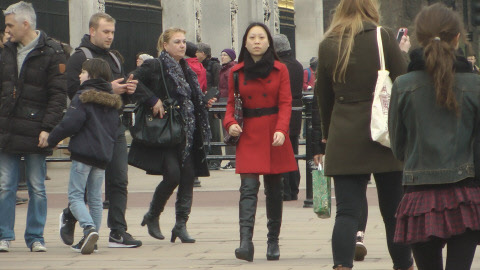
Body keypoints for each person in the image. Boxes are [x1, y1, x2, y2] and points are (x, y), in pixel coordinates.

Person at [315, 0, 413, 269]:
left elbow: (323, 96)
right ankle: (404, 265)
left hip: (345, 135)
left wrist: (327, 133)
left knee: (346, 212)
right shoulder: (382, 37)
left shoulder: (328, 44)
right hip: (383, 134)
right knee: (394, 211)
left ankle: (342, 265)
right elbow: (404, 81)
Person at [389, 3, 480, 269]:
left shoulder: (403, 86)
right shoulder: (475, 85)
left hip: (420, 196)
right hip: (466, 195)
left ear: (419, 39)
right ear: (457, 38)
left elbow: (398, 147)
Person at [60, 12, 142, 249]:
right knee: (87, 185)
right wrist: (109, 89)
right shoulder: (79, 57)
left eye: (113, 32)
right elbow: (75, 93)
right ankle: (70, 215)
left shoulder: (115, 58)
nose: (110, 37)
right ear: (92, 31)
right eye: (105, 32)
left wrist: (128, 89)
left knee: (119, 179)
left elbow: (120, 98)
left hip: (112, 127)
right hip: (88, 130)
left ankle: (117, 231)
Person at [129, 28, 214, 244]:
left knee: (187, 177)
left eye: (184, 41)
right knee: (173, 175)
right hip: (166, 132)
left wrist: (203, 102)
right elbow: (131, 82)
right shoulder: (154, 65)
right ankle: (152, 215)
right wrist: (152, 100)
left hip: (186, 132)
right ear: (165, 45)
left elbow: (189, 99)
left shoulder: (187, 69)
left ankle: (180, 225)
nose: (182, 45)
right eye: (177, 41)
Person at [224, 22, 297, 262]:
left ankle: (272, 241)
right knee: (248, 189)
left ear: (269, 43)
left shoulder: (280, 70)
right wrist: (230, 123)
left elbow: (286, 102)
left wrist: (282, 130)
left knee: (275, 190)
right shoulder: (236, 72)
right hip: (249, 134)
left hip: (274, 133)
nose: (257, 41)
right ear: (245, 43)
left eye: (261, 38)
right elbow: (230, 107)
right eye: (252, 37)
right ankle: (245, 242)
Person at [0, 1, 67, 252]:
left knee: (37, 187)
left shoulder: (52, 51)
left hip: (36, 128)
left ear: (25, 24)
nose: (6, 30)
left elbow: (58, 95)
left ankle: (35, 236)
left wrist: (49, 127)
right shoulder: (6, 51)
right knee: (6, 185)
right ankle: (4, 235)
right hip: (7, 127)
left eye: (9, 24)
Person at [44, 58, 122, 254]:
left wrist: (52, 139)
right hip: (103, 156)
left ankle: (88, 229)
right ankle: (92, 241)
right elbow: (115, 131)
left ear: (92, 75)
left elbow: (70, 123)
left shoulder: (83, 96)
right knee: (95, 198)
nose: (79, 75)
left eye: (83, 72)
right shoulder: (113, 101)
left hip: (84, 154)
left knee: (76, 195)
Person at [273, 34, 303, 201]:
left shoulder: (279, 66)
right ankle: (294, 188)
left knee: (282, 153)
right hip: (296, 112)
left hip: (282, 113)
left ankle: (284, 189)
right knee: (294, 152)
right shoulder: (297, 65)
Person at [197, 42, 222, 170]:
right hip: (202, 102)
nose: (195, 54)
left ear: (203, 53)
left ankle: (216, 159)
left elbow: (218, 85)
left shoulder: (215, 66)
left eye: (197, 52)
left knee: (214, 131)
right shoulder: (198, 66)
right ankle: (206, 157)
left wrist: (209, 98)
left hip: (211, 102)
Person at [218, 48, 237, 169]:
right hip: (222, 100)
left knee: (229, 130)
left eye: (225, 55)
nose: (222, 57)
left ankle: (233, 160)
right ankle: (232, 159)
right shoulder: (224, 69)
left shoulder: (230, 70)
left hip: (227, 100)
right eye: (221, 54)